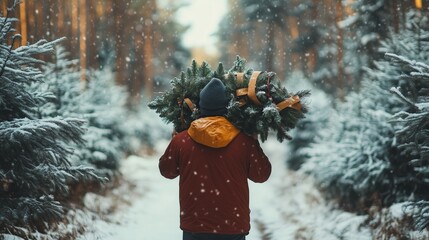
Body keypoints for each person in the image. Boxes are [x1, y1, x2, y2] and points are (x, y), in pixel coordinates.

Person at [159, 78, 271, 240]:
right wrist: (254, 141)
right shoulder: (244, 141)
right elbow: (261, 175)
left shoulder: (181, 140)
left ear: (200, 108)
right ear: (227, 107)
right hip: (232, 227)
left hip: (195, 227)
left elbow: (166, 171)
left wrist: (173, 141)